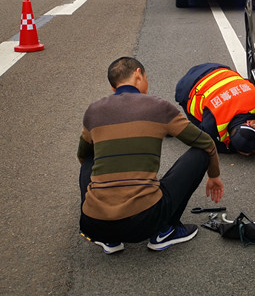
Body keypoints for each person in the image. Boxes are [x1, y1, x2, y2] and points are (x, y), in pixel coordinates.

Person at [78, 57, 224, 255]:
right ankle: (165, 231)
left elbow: (82, 157)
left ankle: (110, 239)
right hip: (145, 221)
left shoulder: (93, 111)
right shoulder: (158, 107)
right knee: (200, 153)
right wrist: (213, 176)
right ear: (139, 74)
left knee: (89, 157)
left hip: (94, 225)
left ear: (114, 88)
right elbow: (206, 143)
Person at [175, 63, 255, 156]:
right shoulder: (211, 126)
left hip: (213, 71)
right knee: (194, 128)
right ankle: (172, 124)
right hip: (191, 86)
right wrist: (234, 148)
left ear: (248, 123)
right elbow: (208, 144)